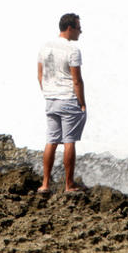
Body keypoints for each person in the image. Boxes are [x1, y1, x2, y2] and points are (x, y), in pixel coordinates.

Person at [37, 13, 86, 194]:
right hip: (68, 99)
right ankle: (69, 185)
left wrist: (48, 92)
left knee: (51, 141)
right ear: (70, 28)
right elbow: (77, 80)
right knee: (69, 142)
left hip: (51, 99)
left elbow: (39, 75)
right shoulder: (72, 50)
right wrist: (82, 103)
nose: (81, 31)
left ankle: (45, 184)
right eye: (79, 28)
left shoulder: (45, 46)